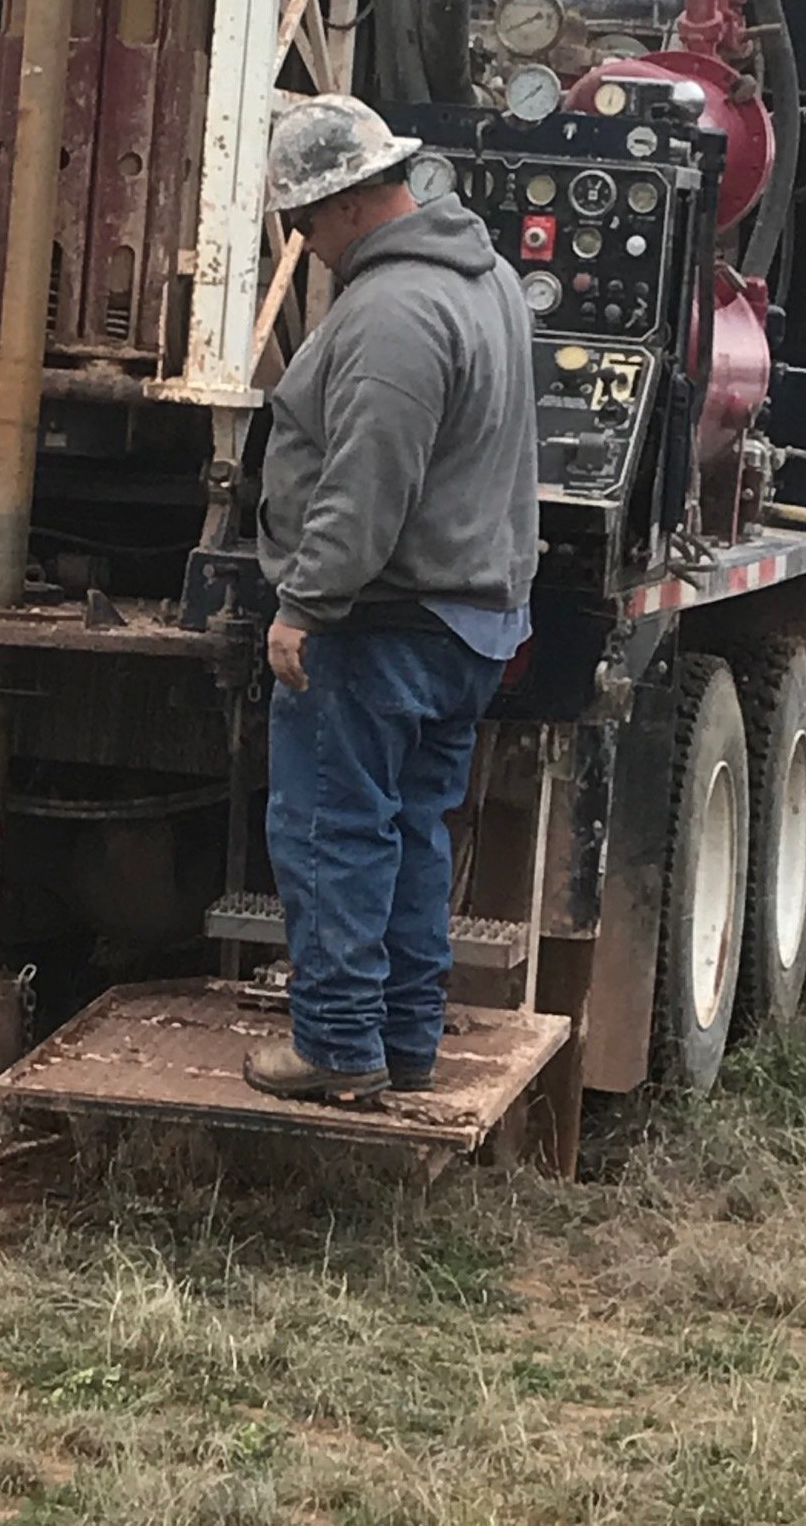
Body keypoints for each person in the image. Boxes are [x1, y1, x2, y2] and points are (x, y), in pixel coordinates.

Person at [243, 93, 539, 1105]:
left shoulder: (391, 312)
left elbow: (367, 483)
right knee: (412, 828)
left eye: (306, 222)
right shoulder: (487, 278)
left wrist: (304, 605)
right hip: (469, 617)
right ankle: (405, 1041)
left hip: (385, 623)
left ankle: (333, 1045)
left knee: (333, 826)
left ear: (347, 203)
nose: (307, 245)